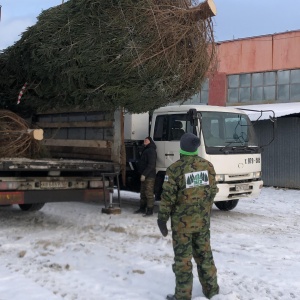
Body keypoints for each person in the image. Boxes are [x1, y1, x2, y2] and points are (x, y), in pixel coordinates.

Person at [157, 132, 219, 300]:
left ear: (182, 147)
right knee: (205, 256)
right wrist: (204, 209)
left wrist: (162, 219)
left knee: (183, 261)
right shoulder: (208, 166)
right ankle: (212, 291)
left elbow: (167, 197)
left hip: (182, 226)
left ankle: (183, 296)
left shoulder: (175, 169)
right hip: (203, 222)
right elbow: (213, 191)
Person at [134, 136, 157, 216]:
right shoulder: (146, 149)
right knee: (143, 193)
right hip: (144, 175)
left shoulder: (151, 151)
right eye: (144, 140)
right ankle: (142, 208)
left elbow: (151, 165)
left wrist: (144, 174)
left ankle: (150, 210)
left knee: (149, 193)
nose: (145, 141)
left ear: (150, 141)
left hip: (149, 176)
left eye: (146, 140)